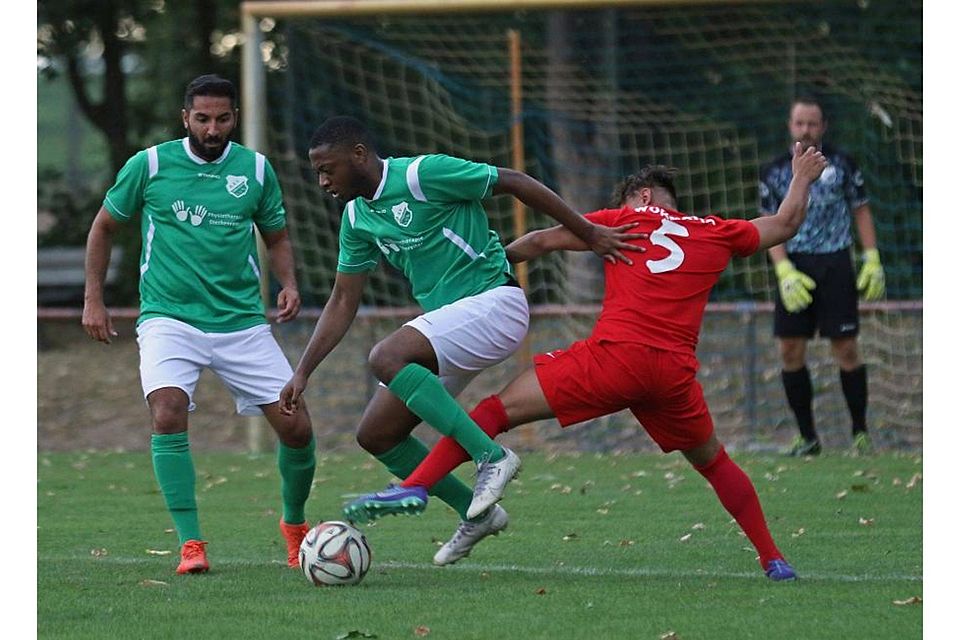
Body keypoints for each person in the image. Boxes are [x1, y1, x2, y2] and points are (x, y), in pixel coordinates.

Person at [345, 143, 827, 580]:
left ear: (640, 197)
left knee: (493, 412)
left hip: (615, 361)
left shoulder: (626, 221)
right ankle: (774, 559)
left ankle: (417, 486)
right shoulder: (717, 231)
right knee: (713, 461)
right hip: (674, 376)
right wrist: (802, 176)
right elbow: (785, 225)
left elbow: (539, 241)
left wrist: (487, 273)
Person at [278, 116, 643, 565]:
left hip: (496, 303)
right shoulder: (356, 217)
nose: (322, 182)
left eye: (327, 168)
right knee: (378, 434)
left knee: (386, 356)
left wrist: (588, 232)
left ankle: (491, 455)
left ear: (358, 155)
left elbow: (515, 181)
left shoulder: (421, 175)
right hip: (454, 324)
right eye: (317, 172)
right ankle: (477, 516)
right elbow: (341, 300)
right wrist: (302, 371)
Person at [82, 75, 316, 575]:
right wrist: (94, 300)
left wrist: (289, 283)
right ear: (184, 117)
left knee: (296, 428)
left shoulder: (254, 169)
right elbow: (103, 226)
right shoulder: (149, 164)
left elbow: (276, 236)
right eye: (203, 118)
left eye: (223, 118)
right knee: (167, 412)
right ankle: (191, 543)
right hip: (169, 318)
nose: (213, 128)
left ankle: (294, 529)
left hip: (241, 324)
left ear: (235, 117)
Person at [760, 97, 885, 457]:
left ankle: (860, 434)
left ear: (823, 126)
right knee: (789, 349)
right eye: (799, 123)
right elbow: (769, 223)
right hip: (795, 264)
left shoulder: (843, 163)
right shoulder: (773, 172)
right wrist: (783, 269)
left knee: (846, 348)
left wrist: (872, 257)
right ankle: (807, 437)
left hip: (836, 263)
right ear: (789, 125)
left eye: (812, 124)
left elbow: (861, 209)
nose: (806, 130)